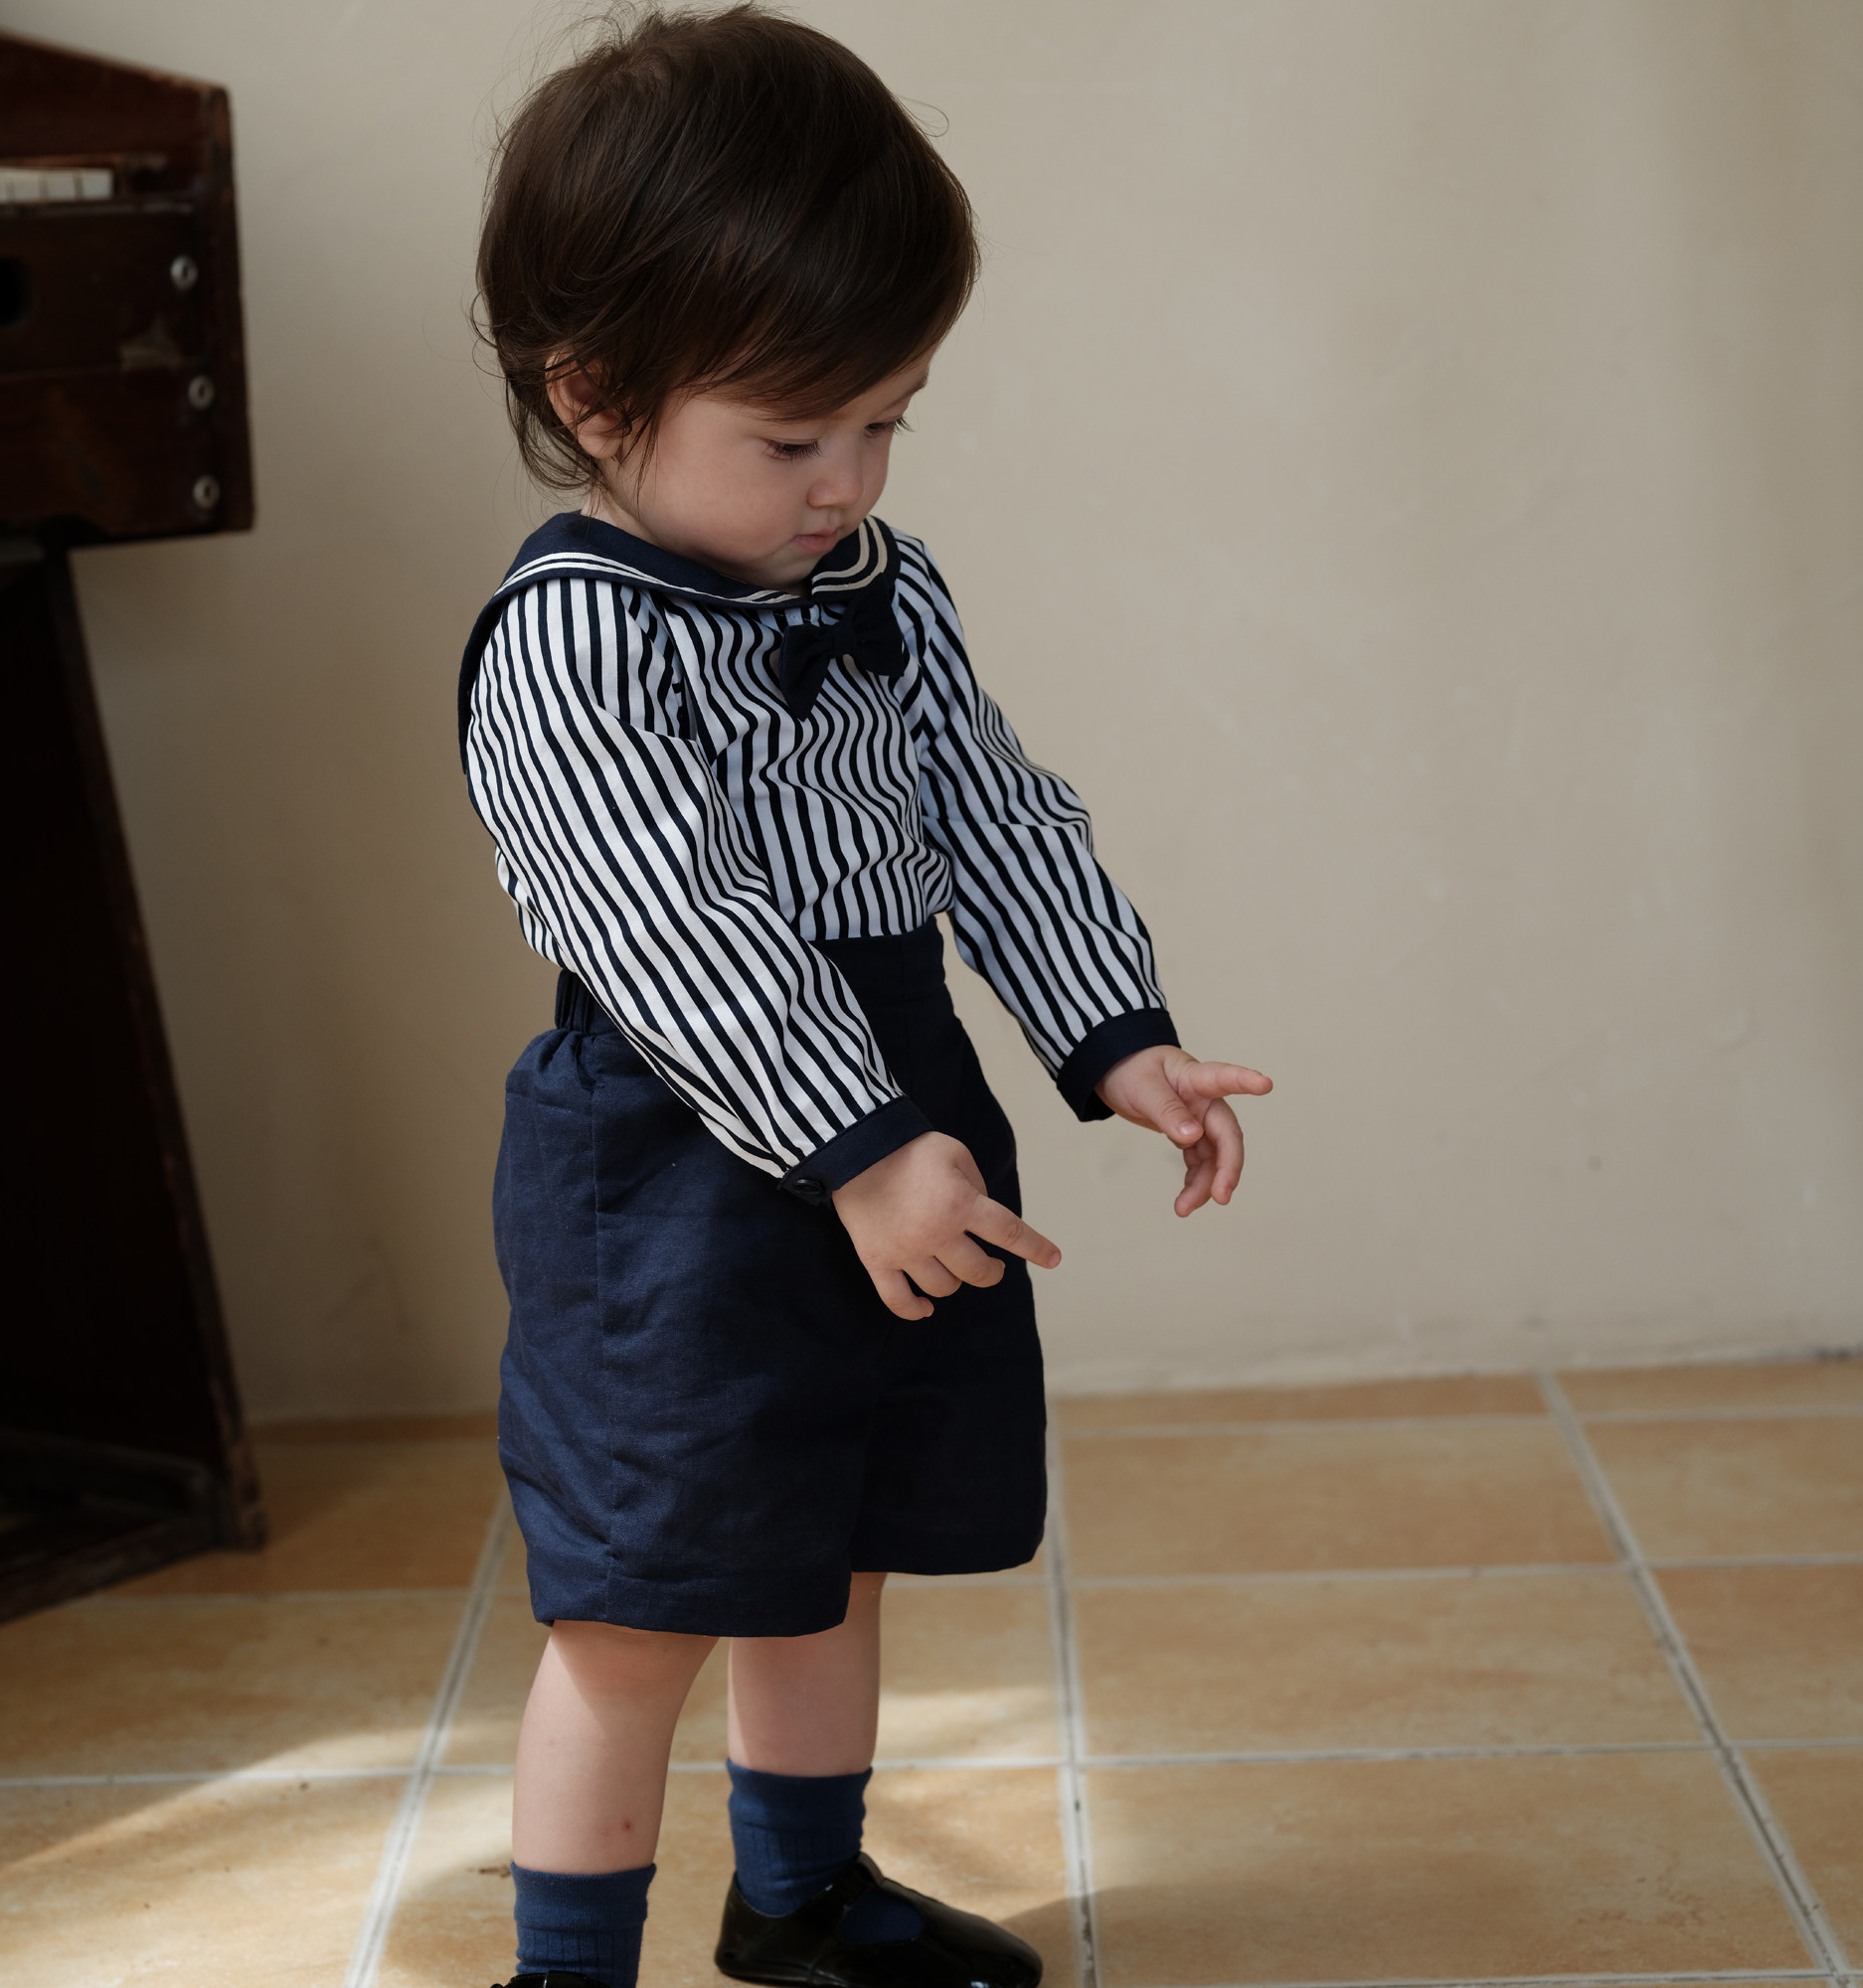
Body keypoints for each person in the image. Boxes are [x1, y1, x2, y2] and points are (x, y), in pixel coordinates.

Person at [459, 9, 1270, 1987]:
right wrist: (860, 1147)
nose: (849, 480)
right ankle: (565, 1965)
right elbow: (670, 923)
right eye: (792, 437)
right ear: (597, 395)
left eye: (886, 421)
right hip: (681, 1171)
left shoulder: (881, 590)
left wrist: (1112, 1035)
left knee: (836, 1545)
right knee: (644, 1600)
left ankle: (800, 1896)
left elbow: (990, 805)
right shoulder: (569, 644)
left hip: (900, 1113)